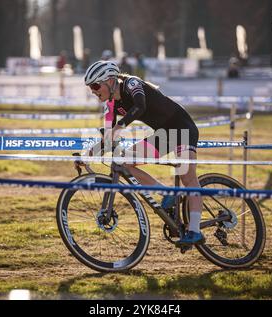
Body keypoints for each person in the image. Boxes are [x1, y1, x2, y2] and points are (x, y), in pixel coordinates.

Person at [84, 60, 204, 245]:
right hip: (164, 134)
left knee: (187, 177)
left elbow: (140, 107)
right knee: (124, 163)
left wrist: (119, 127)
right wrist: (86, 155)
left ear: (109, 80)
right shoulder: (110, 106)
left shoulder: (132, 83)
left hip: (182, 128)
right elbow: (108, 139)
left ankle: (195, 230)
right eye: (90, 87)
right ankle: (166, 194)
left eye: (95, 85)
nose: (93, 90)